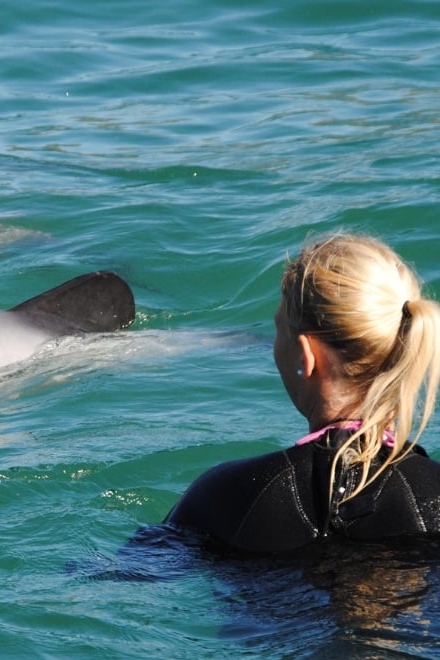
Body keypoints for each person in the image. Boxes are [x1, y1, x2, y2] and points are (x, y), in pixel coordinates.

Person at [163, 233, 440, 552]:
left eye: (278, 328)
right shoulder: (433, 495)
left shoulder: (223, 496)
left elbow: (137, 576)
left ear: (307, 357)